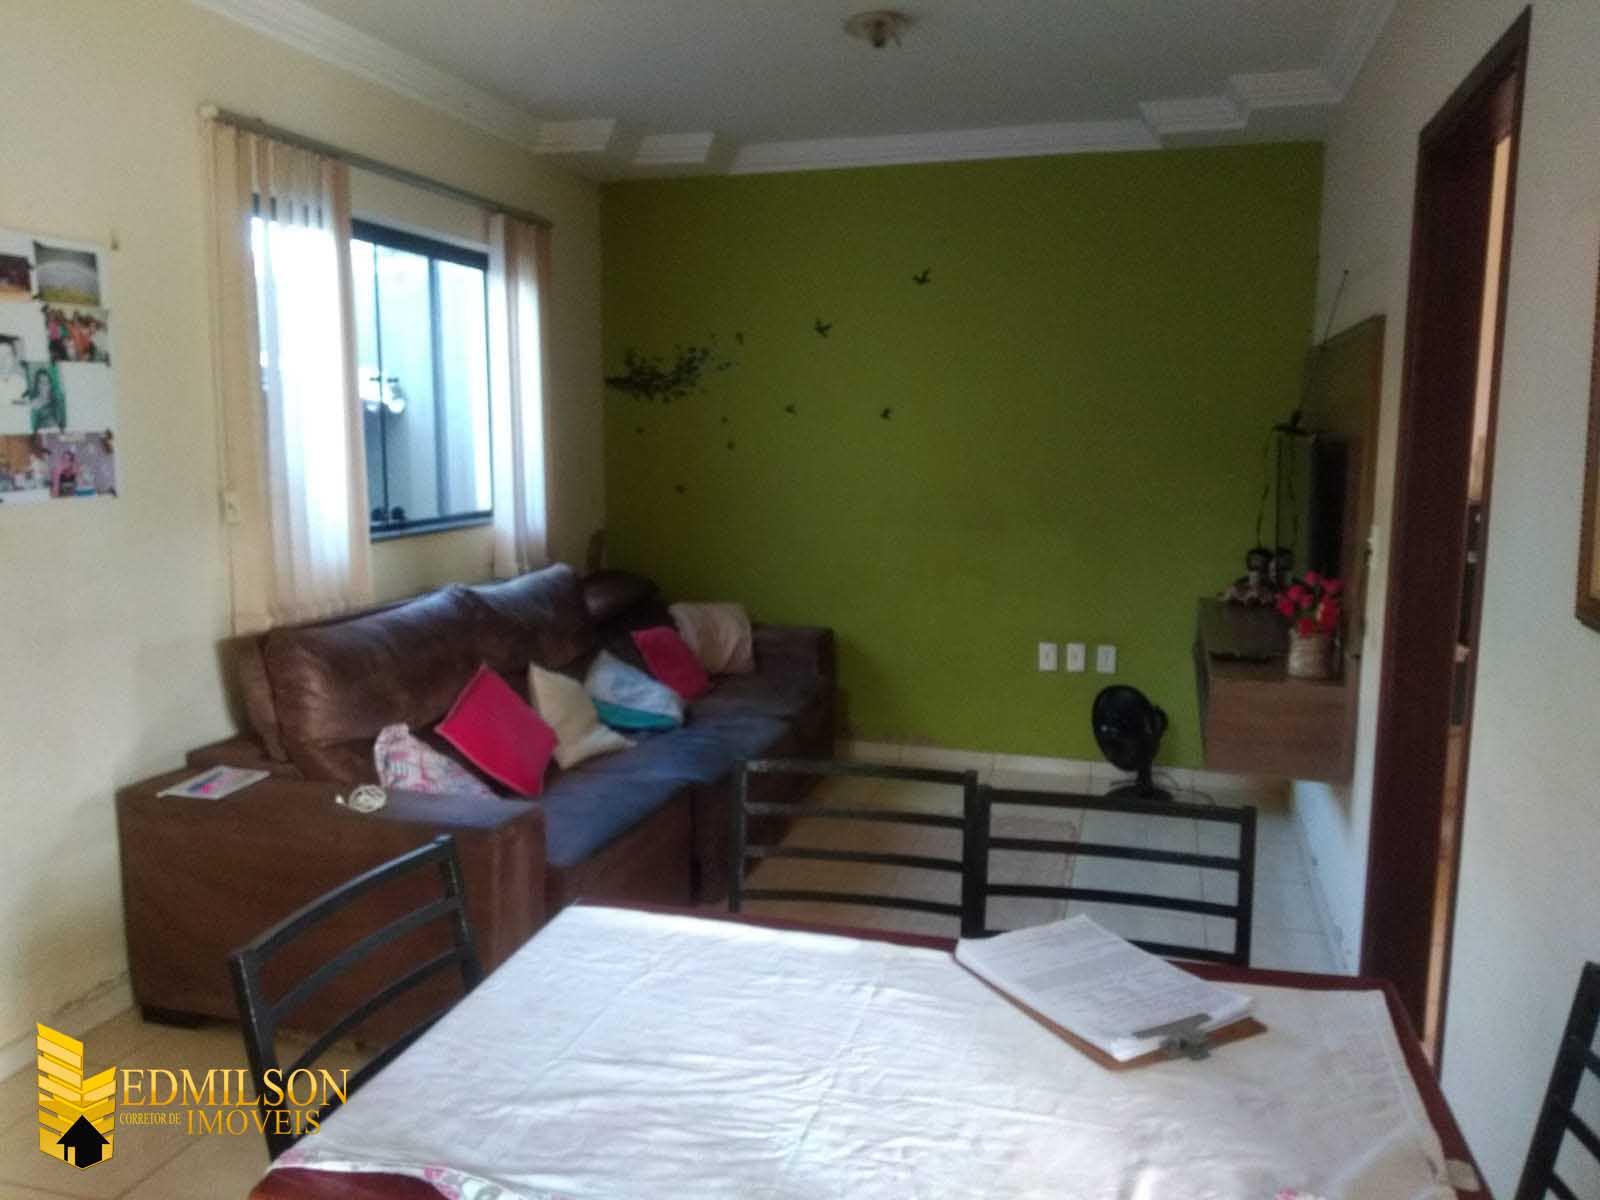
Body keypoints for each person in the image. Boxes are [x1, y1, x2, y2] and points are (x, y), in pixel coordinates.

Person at [29, 365, 66, 431]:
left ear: (50, 385)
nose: (44, 385)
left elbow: (62, 424)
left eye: (46, 382)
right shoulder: (33, 404)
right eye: (41, 382)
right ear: (37, 385)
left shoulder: (57, 402)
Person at [0, 337, 26, 407]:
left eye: (7, 355)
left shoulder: (21, 382)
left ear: (14, 358)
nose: (2, 361)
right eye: (0, 356)